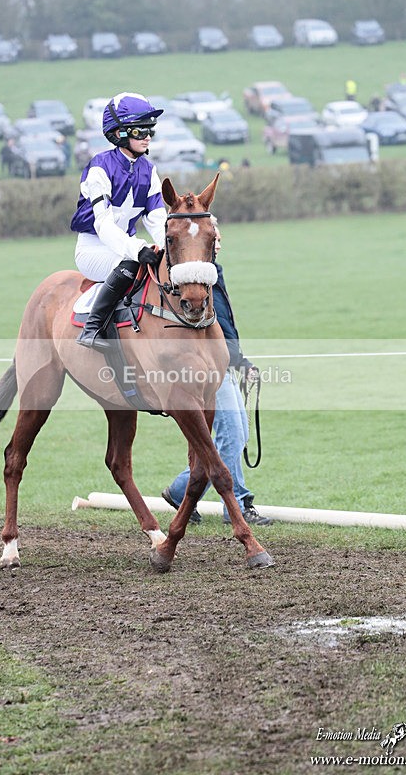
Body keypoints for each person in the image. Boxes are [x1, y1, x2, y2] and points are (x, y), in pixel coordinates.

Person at [162, 219, 273, 527]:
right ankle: (234, 504)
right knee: (232, 435)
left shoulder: (213, 275)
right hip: (210, 367)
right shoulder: (197, 280)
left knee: (239, 434)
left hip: (223, 362)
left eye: (218, 236)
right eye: (216, 237)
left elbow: (223, 327)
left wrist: (241, 363)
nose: (219, 241)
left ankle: (180, 489)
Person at [70, 92, 166, 351]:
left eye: (150, 130)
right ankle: (92, 329)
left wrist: (171, 248)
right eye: (139, 130)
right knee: (129, 265)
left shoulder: (149, 169)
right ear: (120, 133)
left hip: (127, 245)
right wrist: (136, 249)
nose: (147, 136)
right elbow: (103, 224)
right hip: (94, 248)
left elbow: (157, 219)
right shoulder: (99, 167)